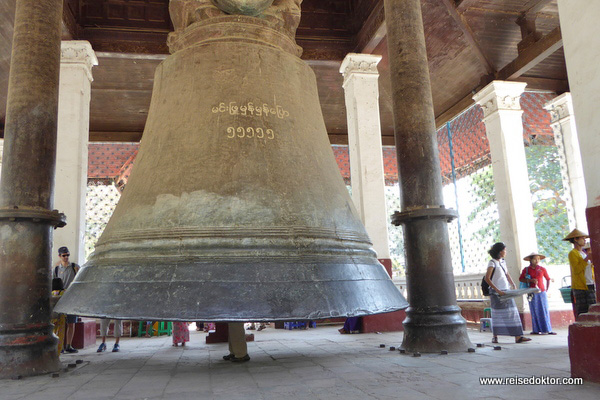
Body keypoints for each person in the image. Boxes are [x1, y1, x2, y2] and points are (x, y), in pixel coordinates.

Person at [484, 242, 531, 344]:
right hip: (497, 293)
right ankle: (495, 336)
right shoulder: (492, 263)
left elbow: (507, 274)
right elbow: (487, 278)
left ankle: (518, 336)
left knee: (512, 313)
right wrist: (497, 290)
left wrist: (512, 283)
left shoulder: (503, 262)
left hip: (506, 290)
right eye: (504, 250)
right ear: (500, 252)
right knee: (497, 314)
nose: (506, 252)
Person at [519, 252, 555, 335]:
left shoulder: (542, 269)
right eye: (535, 259)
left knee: (544, 309)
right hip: (531, 292)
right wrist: (530, 280)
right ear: (530, 260)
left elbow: (548, 279)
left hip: (541, 291)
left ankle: (547, 329)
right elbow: (521, 279)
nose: (537, 260)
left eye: (538, 259)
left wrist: (547, 289)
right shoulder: (526, 270)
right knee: (534, 310)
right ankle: (536, 329)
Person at [53, 246, 80, 353]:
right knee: (59, 323)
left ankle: (68, 345)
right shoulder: (56, 269)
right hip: (60, 298)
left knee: (71, 322)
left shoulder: (74, 267)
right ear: (59, 256)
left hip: (72, 298)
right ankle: (60, 346)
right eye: (64, 255)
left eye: (67, 255)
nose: (66, 257)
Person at [564, 228, 596, 318]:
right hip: (580, 286)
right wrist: (587, 259)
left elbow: (588, 268)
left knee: (592, 308)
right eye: (582, 238)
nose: (585, 240)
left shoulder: (583, 253)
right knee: (583, 311)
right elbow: (577, 269)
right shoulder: (573, 253)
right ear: (575, 239)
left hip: (590, 283)